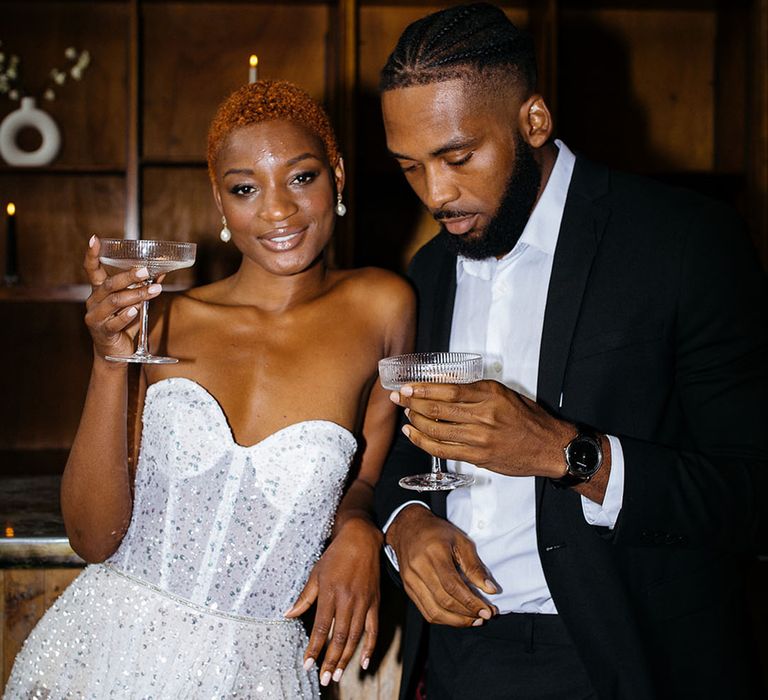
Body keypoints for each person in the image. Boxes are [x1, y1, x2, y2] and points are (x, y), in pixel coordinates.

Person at [373, 4, 768, 699]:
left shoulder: (684, 244)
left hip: (625, 660)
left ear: (533, 121)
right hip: (456, 662)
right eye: (410, 167)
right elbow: (400, 449)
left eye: (458, 157)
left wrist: (567, 455)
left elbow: (751, 495)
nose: (436, 193)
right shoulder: (427, 273)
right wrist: (406, 527)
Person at [4, 80, 414, 699]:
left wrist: (360, 529)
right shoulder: (165, 317)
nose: (277, 211)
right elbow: (92, 539)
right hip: (106, 654)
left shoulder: (383, 307)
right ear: (220, 205)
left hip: (259, 674)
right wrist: (109, 363)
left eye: (301, 177)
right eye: (245, 188)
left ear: (337, 174)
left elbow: (362, 478)